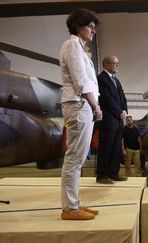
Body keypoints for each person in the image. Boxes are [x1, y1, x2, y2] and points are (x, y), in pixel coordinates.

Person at [59, 8, 101, 220]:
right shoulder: (72, 45)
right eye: (90, 26)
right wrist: (96, 106)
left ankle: (75, 203)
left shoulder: (80, 48)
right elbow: (81, 81)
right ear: (78, 26)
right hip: (79, 104)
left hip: (82, 104)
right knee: (74, 157)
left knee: (78, 158)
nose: (93, 31)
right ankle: (70, 208)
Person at [96, 55, 128, 184]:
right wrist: (119, 112)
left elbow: (122, 98)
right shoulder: (101, 79)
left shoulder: (116, 80)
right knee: (106, 148)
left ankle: (113, 173)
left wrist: (125, 111)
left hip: (118, 120)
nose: (117, 66)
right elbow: (106, 99)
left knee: (116, 148)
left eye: (118, 63)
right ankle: (102, 175)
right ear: (106, 64)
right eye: (115, 63)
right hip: (108, 120)